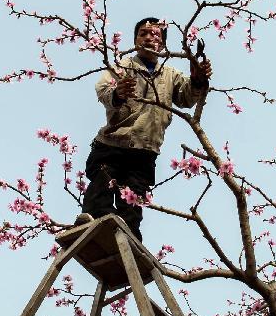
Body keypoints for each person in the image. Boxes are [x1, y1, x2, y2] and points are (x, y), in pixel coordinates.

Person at [75, 17, 212, 242]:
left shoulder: (170, 75)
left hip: (145, 151)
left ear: (163, 46)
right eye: (143, 34)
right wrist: (118, 93)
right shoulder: (122, 67)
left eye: (155, 34)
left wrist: (197, 80)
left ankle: (128, 242)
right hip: (112, 145)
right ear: (136, 40)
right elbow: (103, 89)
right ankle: (92, 224)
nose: (149, 37)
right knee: (100, 190)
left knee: (133, 202)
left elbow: (186, 98)